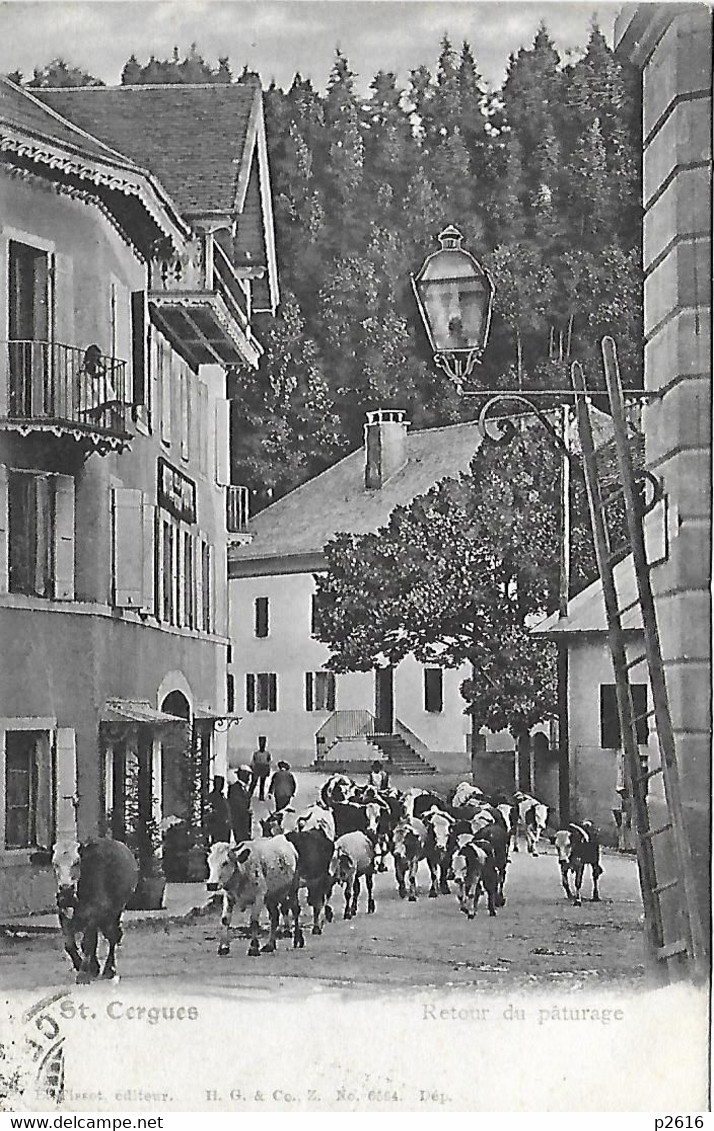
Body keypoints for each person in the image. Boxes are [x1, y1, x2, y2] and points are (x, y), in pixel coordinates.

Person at [227, 767, 252, 844]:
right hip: (239, 821)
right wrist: (246, 811)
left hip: (243, 821)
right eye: (248, 776)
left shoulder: (241, 788)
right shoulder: (235, 788)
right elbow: (237, 804)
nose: (249, 779)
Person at [205, 775, 231, 845]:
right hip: (216, 827)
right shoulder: (211, 797)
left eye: (221, 784)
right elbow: (209, 813)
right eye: (218, 783)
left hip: (224, 828)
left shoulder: (223, 797)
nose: (220, 786)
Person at [249, 736, 272, 801]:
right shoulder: (256, 753)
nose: (262, 745)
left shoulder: (267, 754)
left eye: (263, 743)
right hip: (257, 769)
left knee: (262, 783)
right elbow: (253, 762)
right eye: (260, 743)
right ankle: (249, 794)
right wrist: (253, 768)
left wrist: (267, 770)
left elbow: (269, 762)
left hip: (263, 769)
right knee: (254, 782)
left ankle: (261, 796)